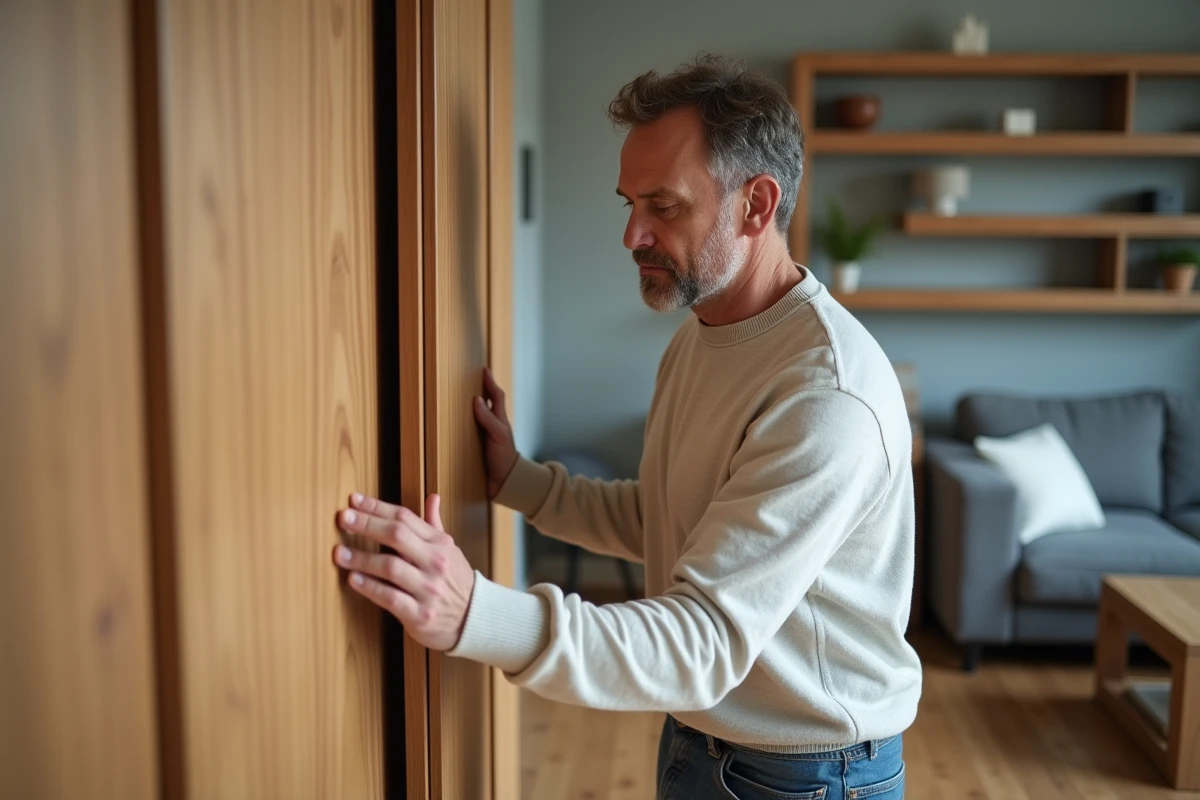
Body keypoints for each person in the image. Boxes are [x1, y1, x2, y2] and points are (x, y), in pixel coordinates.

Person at [333, 54, 921, 800]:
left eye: (663, 206)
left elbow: (703, 641)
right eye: (629, 203)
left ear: (756, 204)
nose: (632, 234)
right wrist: (520, 481)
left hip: (806, 774)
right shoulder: (703, 336)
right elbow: (667, 520)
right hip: (708, 739)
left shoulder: (825, 396)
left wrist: (475, 613)